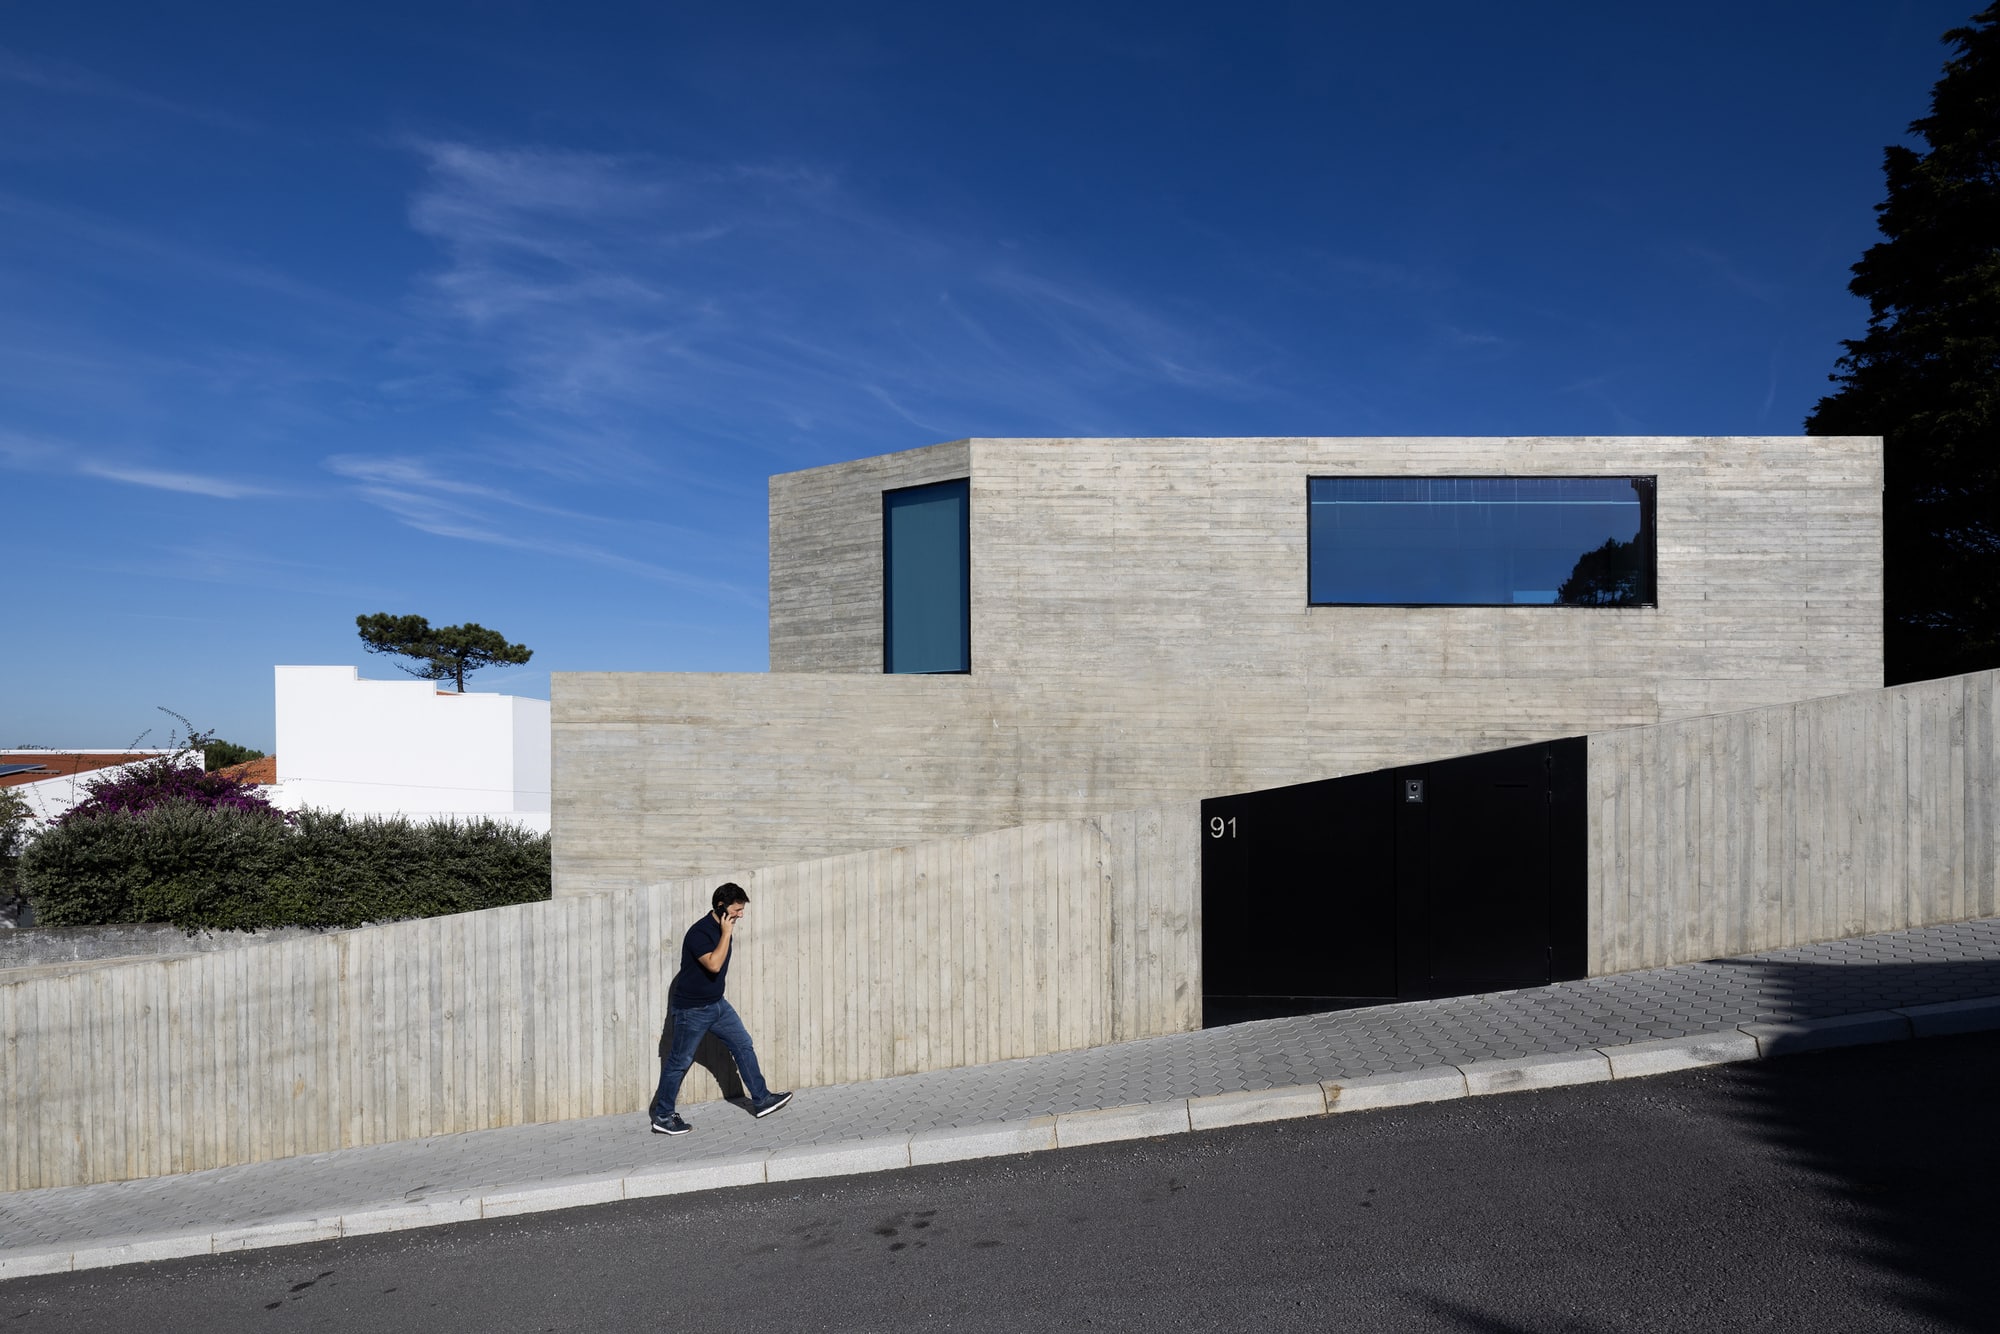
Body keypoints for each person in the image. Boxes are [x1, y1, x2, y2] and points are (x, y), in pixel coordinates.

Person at [649, 882, 792, 1134]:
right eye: (737, 909)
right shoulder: (699, 933)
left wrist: (727, 931)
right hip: (691, 1010)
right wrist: (726, 933)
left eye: (741, 909)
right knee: (678, 1062)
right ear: (721, 907)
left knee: (743, 1044)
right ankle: (662, 1116)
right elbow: (714, 965)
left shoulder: (724, 928)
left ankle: (761, 1099)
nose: (741, 914)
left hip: (717, 1005)